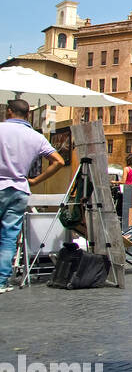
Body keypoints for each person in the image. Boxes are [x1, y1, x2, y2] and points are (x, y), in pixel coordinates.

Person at [0, 98, 66, 293]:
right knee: (9, 237)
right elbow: (59, 161)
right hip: (20, 189)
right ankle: (1, 281)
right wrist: (36, 180)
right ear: (27, 114)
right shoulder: (35, 136)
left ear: (9, 112)